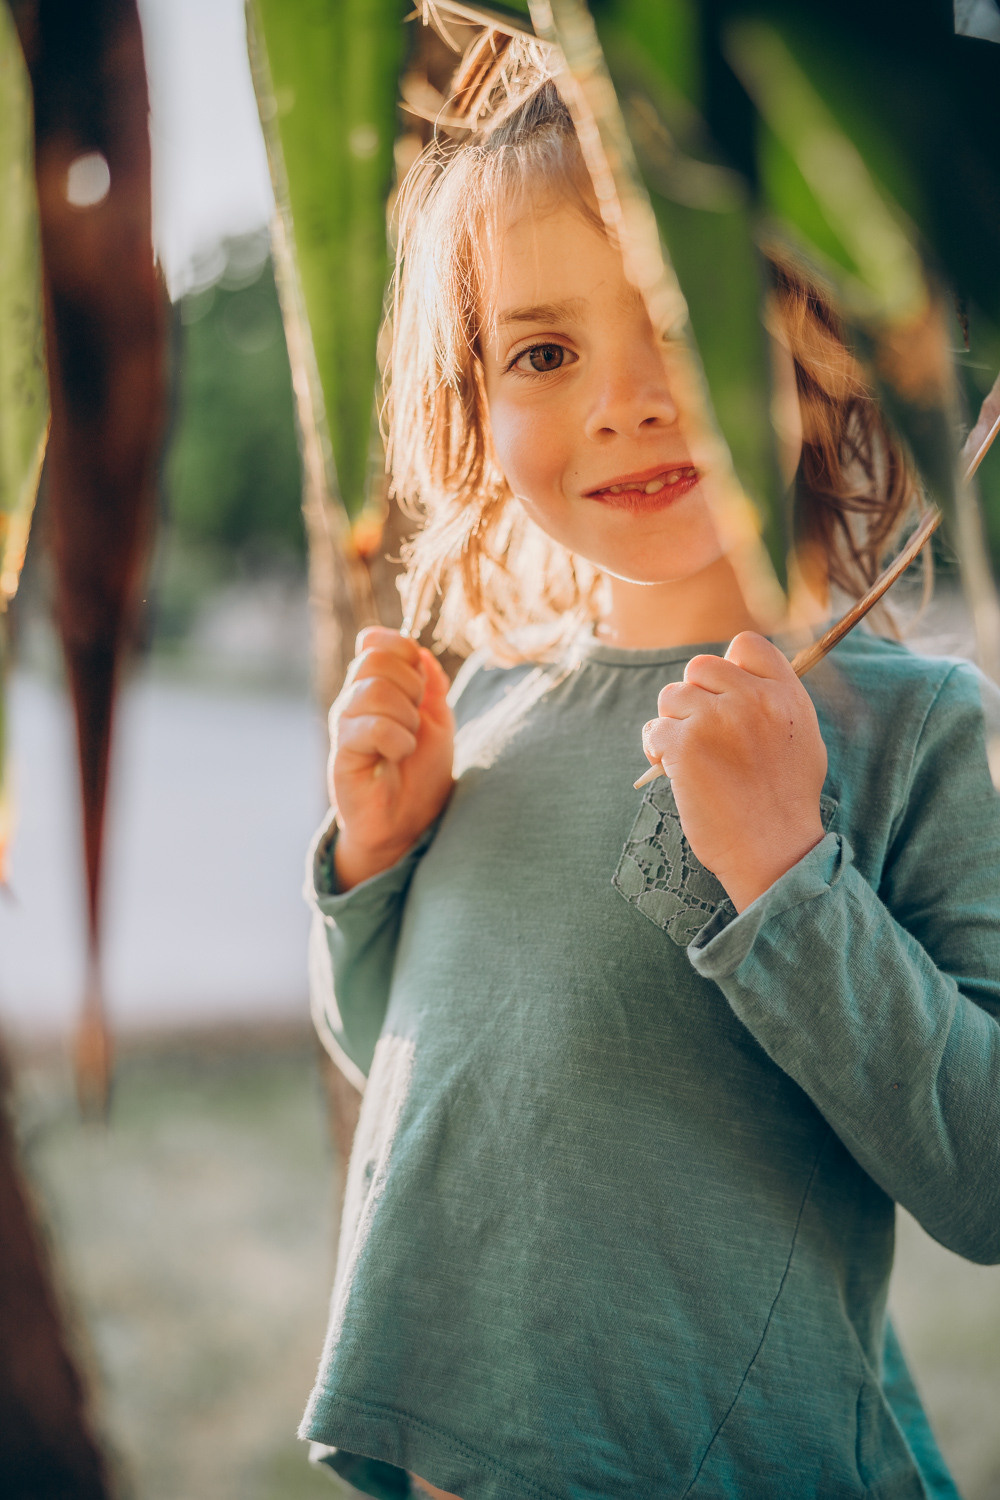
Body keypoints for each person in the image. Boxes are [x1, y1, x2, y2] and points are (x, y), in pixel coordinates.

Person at [299, 69, 1000, 1500]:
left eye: (682, 313)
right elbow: (423, 1064)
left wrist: (787, 884)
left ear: (821, 345)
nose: (623, 402)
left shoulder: (909, 732)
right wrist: (374, 869)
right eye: (543, 353)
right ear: (473, 405)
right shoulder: (489, 706)